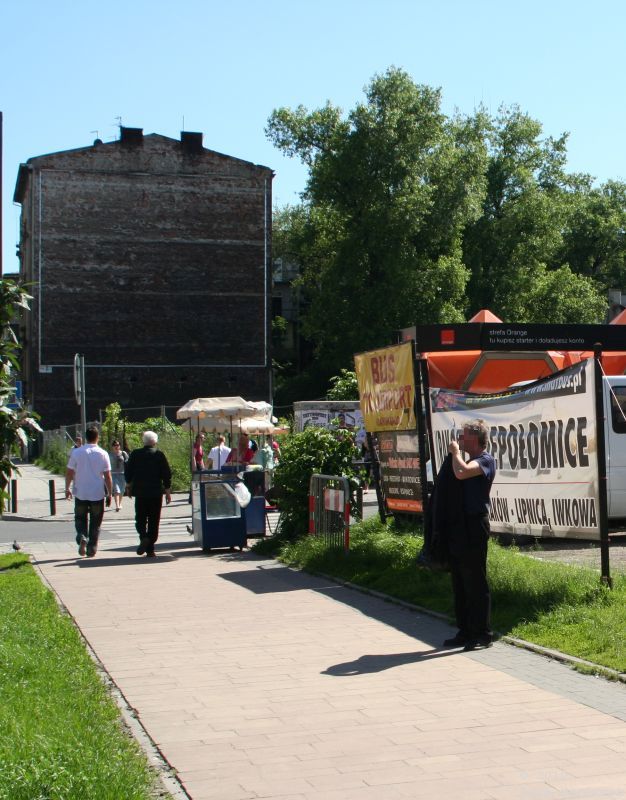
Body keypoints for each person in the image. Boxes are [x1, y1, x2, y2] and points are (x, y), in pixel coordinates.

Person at [444, 419, 496, 652]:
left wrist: (455, 453)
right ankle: (464, 630)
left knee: (475, 580)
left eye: (463, 436)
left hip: (475, 525)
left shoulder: (485, 460)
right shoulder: (465, 459)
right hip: (460, 525)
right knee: (459, 580)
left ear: (474, 439)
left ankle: (482, 633)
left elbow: (462, 473)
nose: (460, 440)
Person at [65, 426, 112, 558]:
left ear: (86, 437)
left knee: (80, 518)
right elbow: (107, 475)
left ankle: (81, 536)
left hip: (81, 492)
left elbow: (69, 472)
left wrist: (67, 488)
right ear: (97, 437)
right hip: (97, 493)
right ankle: (92, 547)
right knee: (96, 522)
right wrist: (109, 493)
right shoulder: (103, 453)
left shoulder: (77, 452)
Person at [125, 431, 172, 558]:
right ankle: (150, 547)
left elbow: (128, 471)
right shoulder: (159, 455)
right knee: (154, 520)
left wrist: (128, 485)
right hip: (156, 493)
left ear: (143, 441)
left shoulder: (135, 454)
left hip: (140, 492)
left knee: (140, 519)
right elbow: (166, 474)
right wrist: (167, 490)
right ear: (155, 441)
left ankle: (144, 537)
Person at [109, 439, 129, 511]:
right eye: (115, 445)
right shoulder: (109, 455)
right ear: (112, 447)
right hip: (113, 474)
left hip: (122, 474)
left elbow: (128, 463)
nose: (116, 446)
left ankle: (120, 503)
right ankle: (117, 505)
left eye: (118, 445)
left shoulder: (123, 453)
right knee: (116, 490)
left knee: (122, 490)